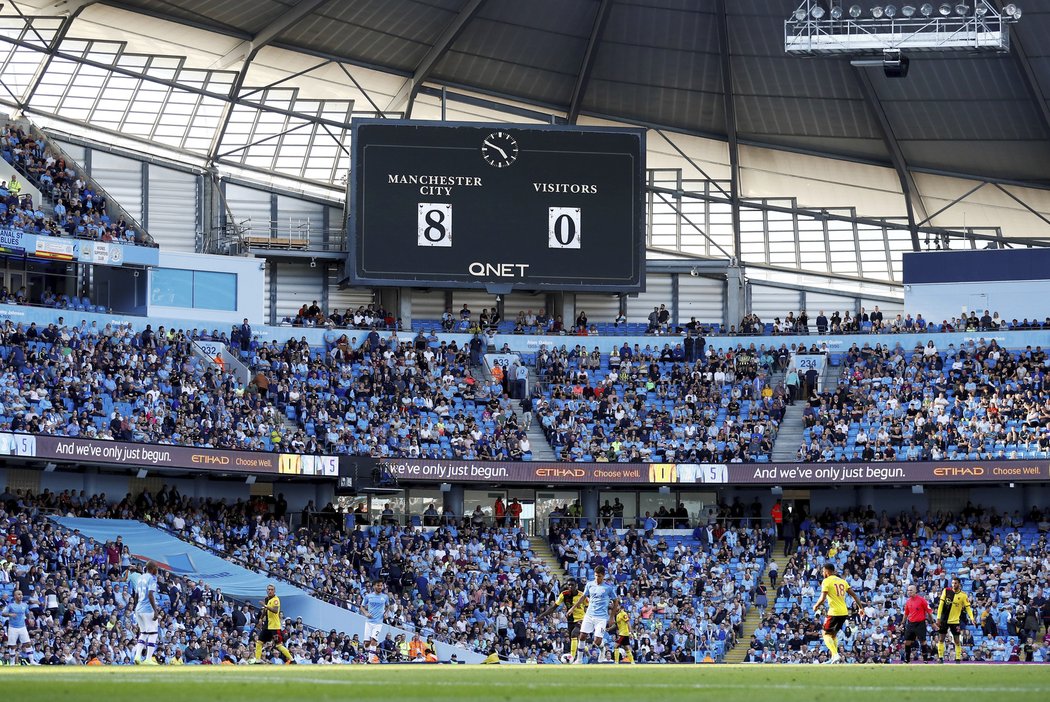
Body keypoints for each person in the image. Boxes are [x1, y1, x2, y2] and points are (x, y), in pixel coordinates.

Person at [812, 563, 863, 664]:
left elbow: (822, 598)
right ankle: (833, 658)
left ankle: (835, 655)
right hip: (844, 612)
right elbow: (854, 595)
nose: (822, 573)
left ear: (827, 571)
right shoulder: (842, 581)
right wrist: (861, 608)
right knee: (833, 635)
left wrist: (816, 606)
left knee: (825, 634)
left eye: (823, 571)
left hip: (834, 612)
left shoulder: (826, 581)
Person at [569, 564, 617, 664]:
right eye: (595, 575)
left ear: (603, 576)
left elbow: (616, 601)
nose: (597, 578)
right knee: (582, 636)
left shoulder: (608, 588)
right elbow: (582, 597)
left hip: (601, 617)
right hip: (589, 615)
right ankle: (579, 659)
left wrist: (612, 617)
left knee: (597, 641)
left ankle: (602, 649)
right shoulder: (590, 584)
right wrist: (573, 608)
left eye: (599, 576)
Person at [540, 579, 587, 662]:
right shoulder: (563, 594)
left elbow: (589, 606)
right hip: (570, 620)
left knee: (574, 634)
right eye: (569, 585)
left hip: (581, 619)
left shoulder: (582, 595)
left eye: (572, 585)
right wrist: (542, 615)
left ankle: (572, 657)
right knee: (574, 639)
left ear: (576, 586)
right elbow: (554, 607)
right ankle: (585, 648)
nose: (570, 587)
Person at [936, 577, 975, 662]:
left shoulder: (963, 595)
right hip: (944, 620)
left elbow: (968, 608)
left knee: (957, 640)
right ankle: (940, 657)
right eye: (953, 583)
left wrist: (972, 618)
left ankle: (957, 659)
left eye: (955, 583)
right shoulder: (946, 591)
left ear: (959, 584)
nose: (954, 585)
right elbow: (941, 605)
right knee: (941, 639)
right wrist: (938, 618)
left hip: (955, 621)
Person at [131, 562, 161, 665]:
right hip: (148, 609)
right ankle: (148, 659)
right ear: (152, 568)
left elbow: (136, 594)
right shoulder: (152, 578)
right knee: (153, 634)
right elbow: (150, 594)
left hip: (138, 608)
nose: (157, 570)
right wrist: (155, 611)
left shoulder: (140, 578)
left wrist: (136, 606)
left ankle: (137, 656)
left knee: (143, 633)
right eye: (156, 568)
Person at [256, 583, 293, 664]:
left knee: (278, 645)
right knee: (259, 642)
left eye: (271, 590)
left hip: (275, 626)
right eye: (268, 589)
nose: (270, 591)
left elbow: (275, 610)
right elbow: (265, 610)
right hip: (267, 625)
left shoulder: (276, 600)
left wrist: (265, 605)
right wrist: (261, 619)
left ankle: (292, 660)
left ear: (274, 591)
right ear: (266, 590)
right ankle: (257, 660)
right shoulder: (266, 599)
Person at [901, 583, 935, 663]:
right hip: (911, 623)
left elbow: (929, 612)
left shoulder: (922, 600)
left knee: (923, 641)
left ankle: (925, 659)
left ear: (915, 591)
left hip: (920, 623)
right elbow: (906, 614)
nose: (909, 592)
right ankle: (907, 659)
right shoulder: (908, 602)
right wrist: (902, 623)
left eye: (911, 590)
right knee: (907, 641)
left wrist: (932, 623)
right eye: (908, 590)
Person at [1, 589, 31, 665]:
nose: (21, 596)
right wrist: (10, 614)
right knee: (12, 646)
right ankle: (12, 663)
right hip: (13, 627)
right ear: (14, 596)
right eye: (19, 594)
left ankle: (32, 661)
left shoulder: (24, 605)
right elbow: (3, 613)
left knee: (27, 643)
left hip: (22, 627)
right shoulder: (10, 605)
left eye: (21, 594)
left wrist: (29, 619)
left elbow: (27, 613)